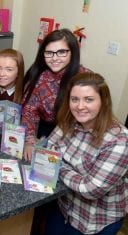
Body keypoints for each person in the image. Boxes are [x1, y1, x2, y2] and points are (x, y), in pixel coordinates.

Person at [45, 72, 128, 235]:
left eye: (88, 99)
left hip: (93, 221)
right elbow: (47, 148)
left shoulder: (119, 140)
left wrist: (57, 165)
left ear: (103, 101)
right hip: (64, 207)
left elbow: (91, 189)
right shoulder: (68, 122)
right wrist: (56, 161)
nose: (80, 106)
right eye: (74, 99)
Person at [22, 29, 90, 161]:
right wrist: (29, 140)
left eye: (61, 52)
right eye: (49, 53)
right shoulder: (39, 76)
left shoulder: (85, 80)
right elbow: (29, 111)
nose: (54, 58)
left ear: (73, 52)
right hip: (43, 133)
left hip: (75, 139)